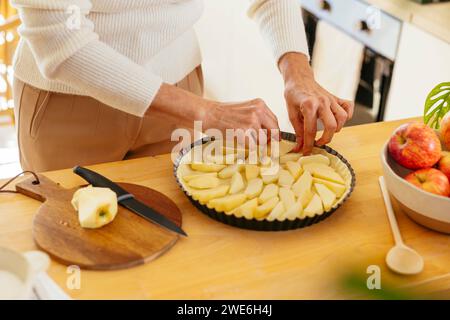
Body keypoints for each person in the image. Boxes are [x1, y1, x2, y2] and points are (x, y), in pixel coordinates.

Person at [11, 0, 354, 172]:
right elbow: (61, 40)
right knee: (70, 249)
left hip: (180, 90)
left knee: (172, 250)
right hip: (69, 104)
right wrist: (206, 111)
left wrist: (298, 72)